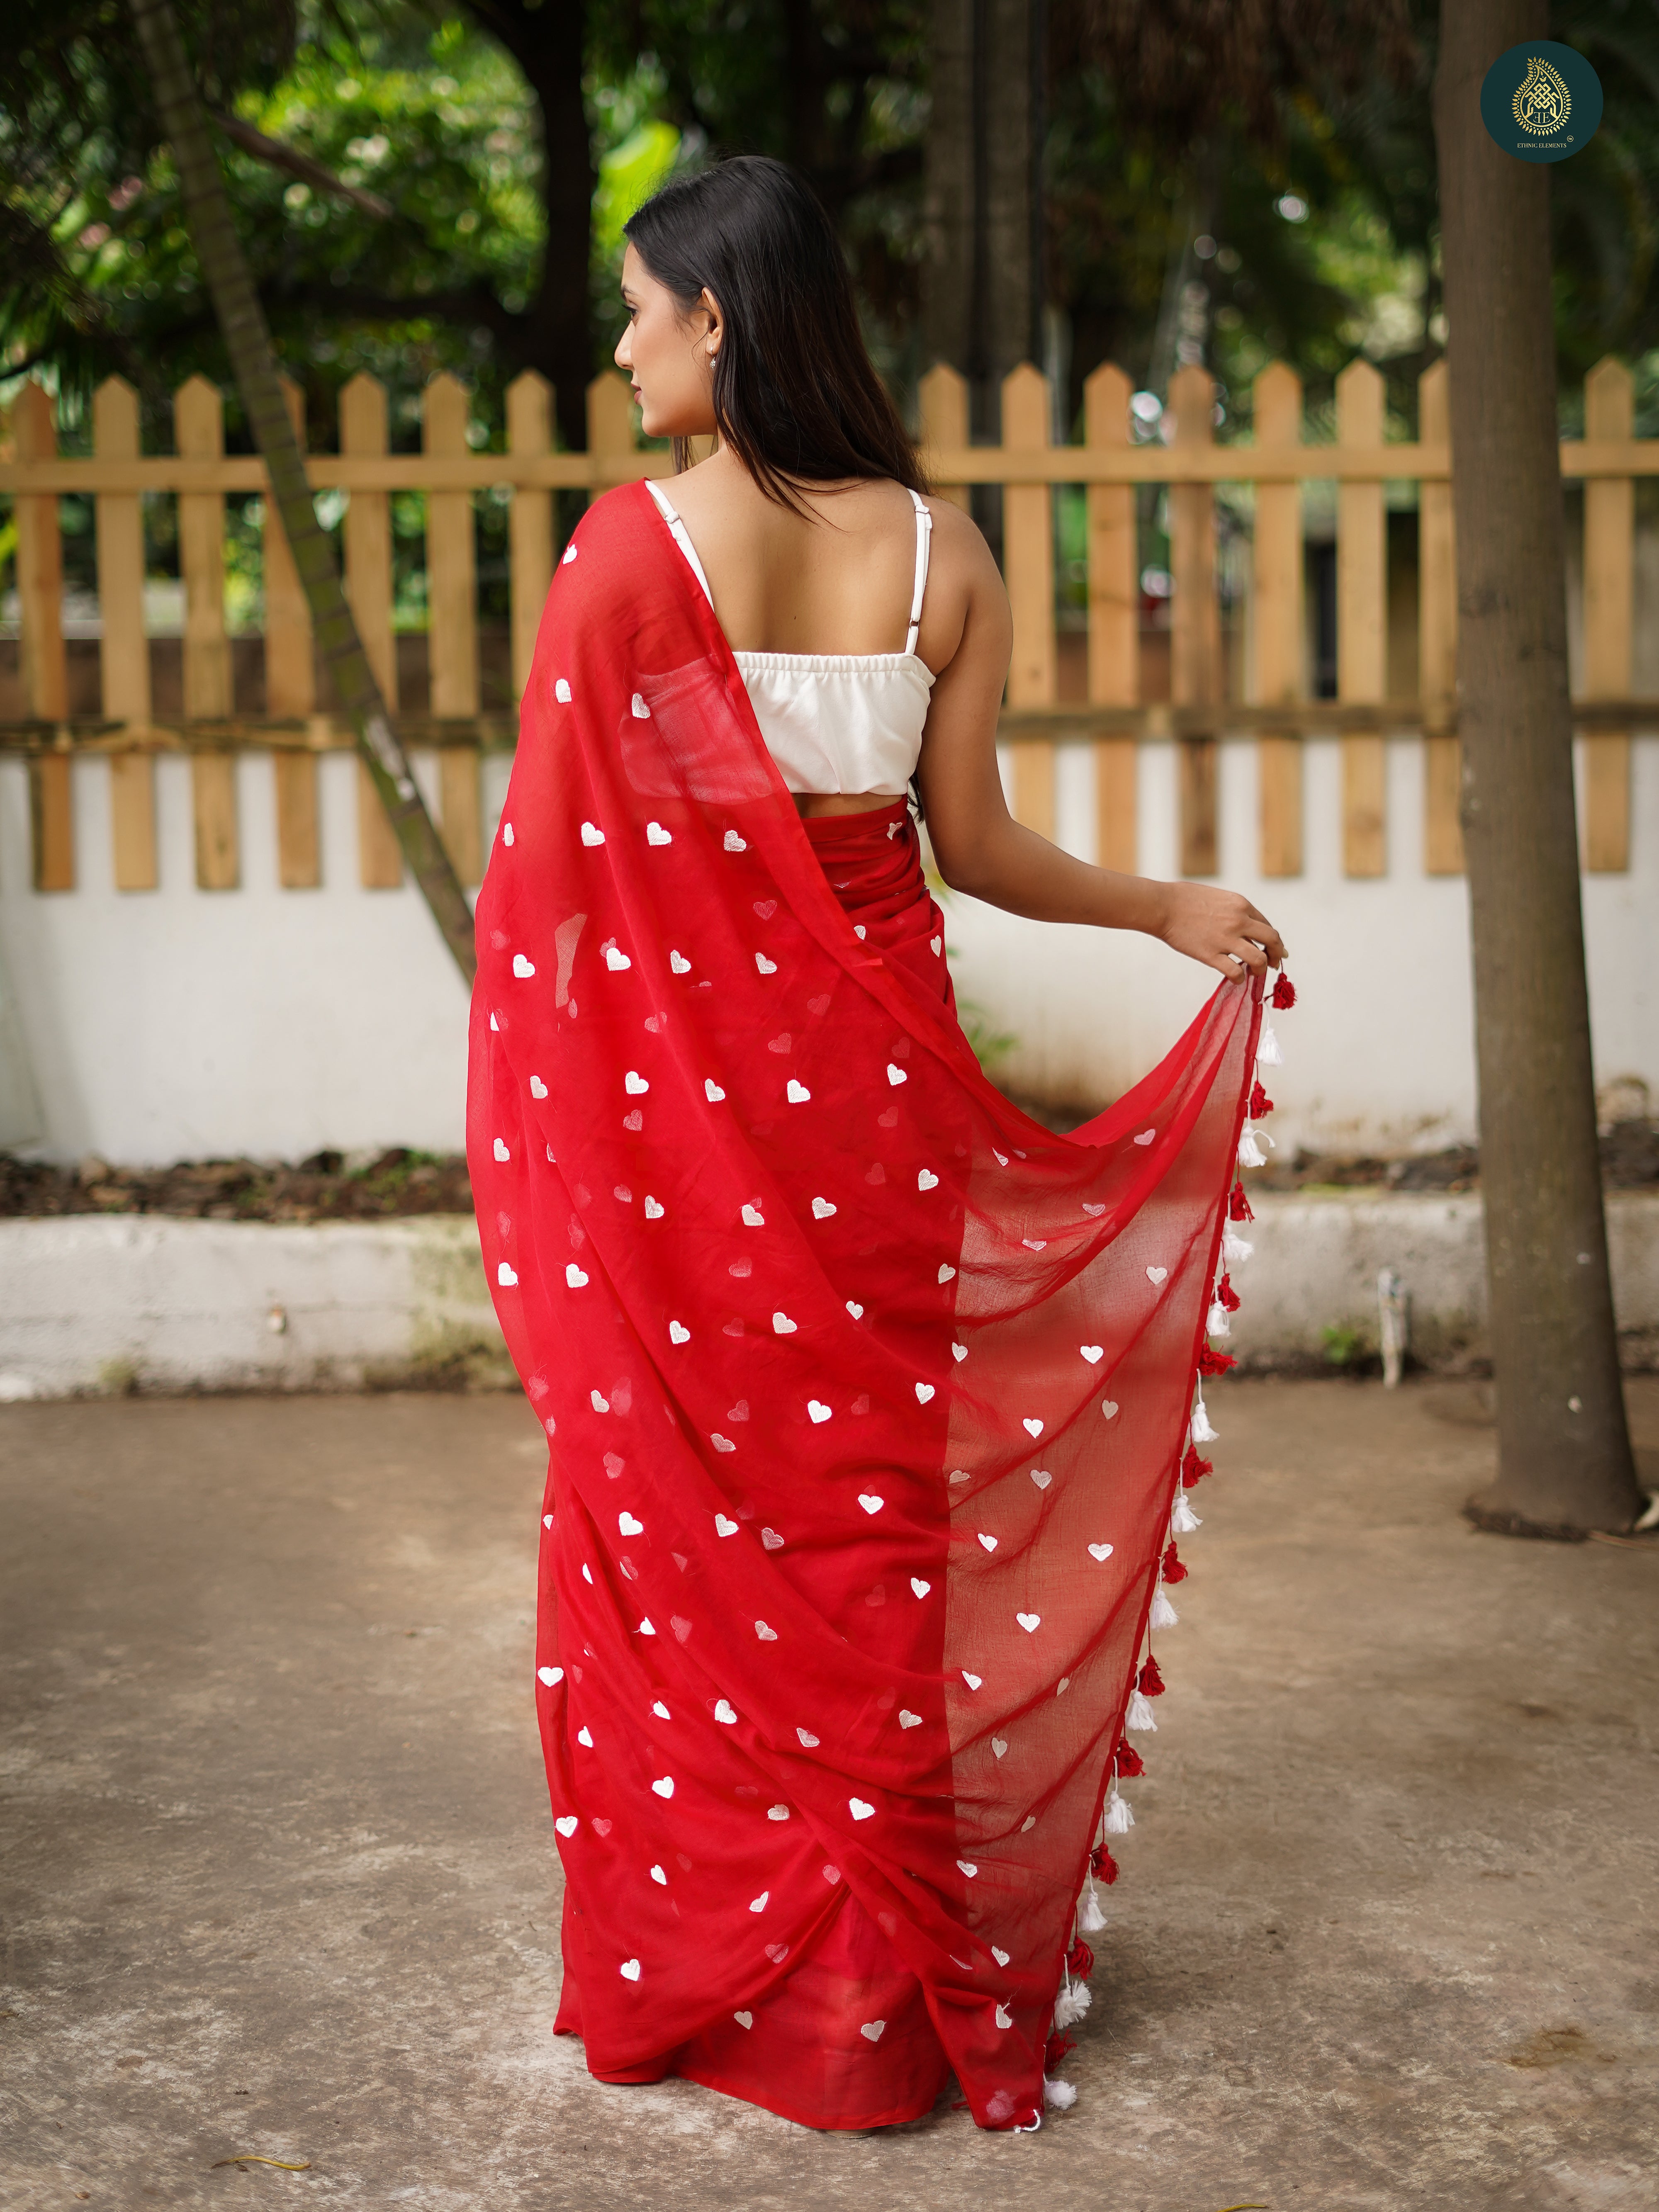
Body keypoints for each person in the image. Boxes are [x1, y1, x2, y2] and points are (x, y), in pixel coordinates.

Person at [467, 154, 1286, 2136]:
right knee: (861, 1524)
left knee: (680, 1518)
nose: (623, 348)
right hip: (878, 1105)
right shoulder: (942, 556)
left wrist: (559, 1121)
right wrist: (1165, 905)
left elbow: (562, 890)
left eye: (641, 311)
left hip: (685, 1125)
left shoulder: (627, 558)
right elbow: (970, 845)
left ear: (717, 319)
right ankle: (879, 2008)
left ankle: (724, 1977)